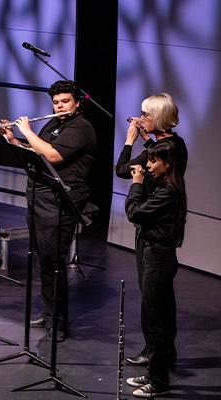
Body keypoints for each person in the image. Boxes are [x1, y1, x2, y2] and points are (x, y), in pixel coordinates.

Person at [1, 80, 96, 341]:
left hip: (61, 201)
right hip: (40, 198)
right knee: (44, 260)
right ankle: (49, 312)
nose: (59, 106)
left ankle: (60, 323)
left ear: (77, 102)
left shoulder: (82, 127)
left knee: (55, 262)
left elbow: (53, 155)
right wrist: (14, 140)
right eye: (56, 102)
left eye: (65, 102)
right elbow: (36, 151)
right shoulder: (54, 124)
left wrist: (27, 131)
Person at [116, 93, 186, 368]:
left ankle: (158, 354)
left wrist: (130, 139)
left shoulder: (171, 148)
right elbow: (137, 163)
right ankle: (160, 352)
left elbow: (124, 169)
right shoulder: (167, 145)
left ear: (157, 117)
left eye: (146, 115)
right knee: (156, 298)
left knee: (154, 301)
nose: (141, 118)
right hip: (150, 230)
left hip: (156, 230)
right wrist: (145, 139)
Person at [124, 140, 186, 398]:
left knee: (154, 320)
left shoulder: (169, 190)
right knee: (152, 316)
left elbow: (134, 212)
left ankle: (159, 381)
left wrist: (136, 184)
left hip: (159, 257)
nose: (147, 166)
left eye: (152, 161)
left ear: (167, 163)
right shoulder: (162, 185)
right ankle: (153, 371)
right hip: (153, 253)